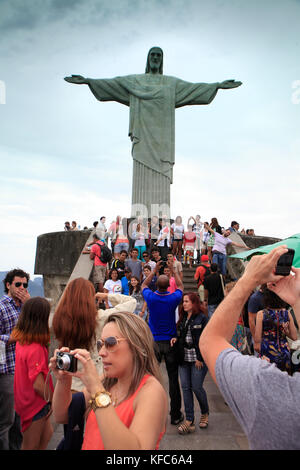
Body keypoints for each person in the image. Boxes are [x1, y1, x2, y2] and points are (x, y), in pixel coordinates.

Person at [65, 47, 241, 212]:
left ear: (162, 60)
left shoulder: (171, 84)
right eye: (153, 55)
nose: (155, 58)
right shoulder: (135, 81)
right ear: (148, 59)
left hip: (162, 140)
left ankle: (159, 218)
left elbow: (193, 88)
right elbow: (114, 84)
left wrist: (216, 85)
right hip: (142, 135)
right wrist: (89, 81)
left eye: (159, 55)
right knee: (141, 168)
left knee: (160, 175)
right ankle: (141, 217)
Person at [199, 245, 300, 450]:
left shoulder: (273, 392)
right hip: (284, 354)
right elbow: (294, 336)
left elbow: (211, 340)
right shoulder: (285, 314)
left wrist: (248, 280)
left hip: (267, 355)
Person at [50, 312, 168, 450]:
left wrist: (97, 390)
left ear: (137, 345)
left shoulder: (151, 392)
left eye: (111, 343)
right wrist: (64, 380)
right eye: (100, 344)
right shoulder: (108, 381)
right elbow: (62, 415)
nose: (101, 352)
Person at [52, 278, 136, 392]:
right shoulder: (99, 318)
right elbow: (132, 302)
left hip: (70, 384)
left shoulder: (59, 320)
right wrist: (106, 296)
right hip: (95, 382)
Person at [142, 260, 184, 425]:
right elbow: (180, 287)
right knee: (173, 380)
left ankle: (148, 413)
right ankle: (175, 415)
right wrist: (173, 271)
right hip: (170, 342)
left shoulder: (151, 298)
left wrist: (154, 270)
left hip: (154, 341)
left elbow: (144, 284)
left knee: (150, 378)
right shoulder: (173, 298)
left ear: (157, 286)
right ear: (168, 286)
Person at [10, 297, 53, 450]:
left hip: (24, 400)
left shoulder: (23, 340)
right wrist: (53, 400)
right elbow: (38, 385)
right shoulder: (35, 348)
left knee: (47, 434)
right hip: (35, 404)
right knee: (30, 445)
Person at [0, 268, 30, 450]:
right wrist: (12, 337)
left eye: (25, 285)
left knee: (20, 420)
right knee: (6, 420)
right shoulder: (2, 307)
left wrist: (28, 305)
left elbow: (37, 326)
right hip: (8, 370)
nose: (21, 288)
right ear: (8, 285)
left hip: (23, 370)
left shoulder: (26, 306)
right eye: (17, 284)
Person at [171, 292, 209, 434]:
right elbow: (181, 334)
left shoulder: (202, 319)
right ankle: (189, 420)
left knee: (197, 387)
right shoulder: (182, 318)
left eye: (186, 301)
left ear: (194, 302)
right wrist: (176, 339)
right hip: (183, 358)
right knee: (186, 387)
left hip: (197, 358)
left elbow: (205, 340)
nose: (184, 303)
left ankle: (205, 412)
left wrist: (200, 357)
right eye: (183, 301)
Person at [254, 286, 297, 372]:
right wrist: (285, 331)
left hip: (268, 353)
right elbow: (294, 337)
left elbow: (257, 340)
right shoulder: (287, 313)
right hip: (284, 352)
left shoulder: (261, 314)